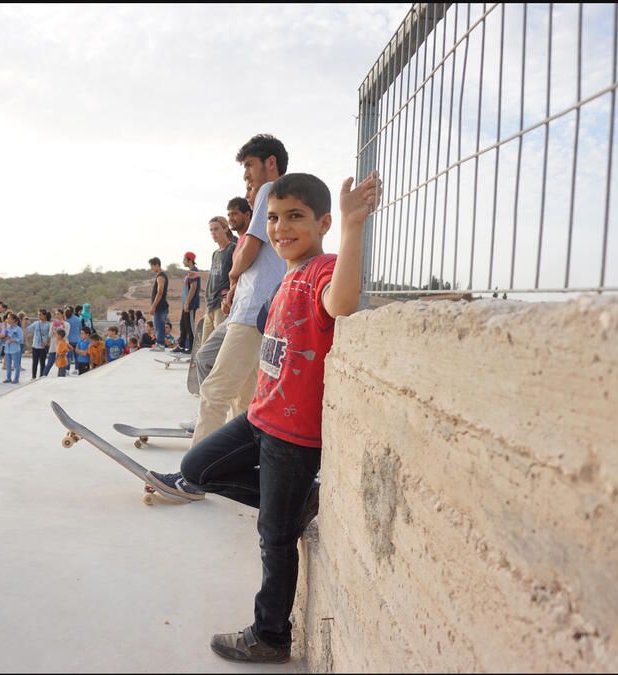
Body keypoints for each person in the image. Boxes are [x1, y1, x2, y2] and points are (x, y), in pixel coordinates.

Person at [148, 170, 381, 664]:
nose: (280, 228)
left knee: (274, 541)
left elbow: (341, 303)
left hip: (293, 436)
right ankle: (296, 507)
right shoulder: (286, 274)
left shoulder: (323, 268)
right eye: (273, 218)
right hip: (260, 418)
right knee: (196, 469)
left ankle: (270, 635)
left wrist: (353, 225)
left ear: (321, 223)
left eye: (295, 217)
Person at [190, 134, 289, 448]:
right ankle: (228, 465)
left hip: (251, 310)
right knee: (243, 400)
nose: (246, 174)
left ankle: (194, 473)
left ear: (270, 163)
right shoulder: (284, 195)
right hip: (265, 309)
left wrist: (232, 277)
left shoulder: (269, 190)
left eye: (249, 165)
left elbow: (249, 250)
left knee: (215, 391)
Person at [202, 210, 240, 346]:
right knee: (204, 347)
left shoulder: (233, 249)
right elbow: (215, 276)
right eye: (211, 230)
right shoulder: (215, 254)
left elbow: (240, 274)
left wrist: (230, 292)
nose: (213, 232)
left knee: (219, 346)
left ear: (225, 229)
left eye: (216, 229)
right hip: (210, 306)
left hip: (221, 305)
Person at [175, 252, 201, 353]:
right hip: (186, 303)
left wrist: (187, 303)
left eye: (184, 259)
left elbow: (193, 288)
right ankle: (181, 345)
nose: (183, 261)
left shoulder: (194, 271)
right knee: (183, 325)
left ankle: (191, 348)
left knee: (189, 326)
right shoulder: (190, 271)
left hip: (190, 304)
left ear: (190, 260)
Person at [148, 257, 169, 351]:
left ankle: (160, 345)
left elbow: (160, 292)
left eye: (152, 266)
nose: (151, 268)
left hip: (160, 307)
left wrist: (154, 306)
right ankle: (159, 344)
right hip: (160, 306)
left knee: (159, 326)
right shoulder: (160, 276)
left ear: (157, 265)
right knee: (158, 325)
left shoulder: (161, 276)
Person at [29, 309, 52, 379]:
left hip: (43, 347)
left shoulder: (49, 324)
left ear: (45, 316)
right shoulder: (36, 323)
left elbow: (50, 336)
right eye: (38, 314)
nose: (39, 316)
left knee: (42, 363)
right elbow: (28, 329)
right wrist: (24, 322)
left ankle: (41, 376)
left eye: (40, 314)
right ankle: (33, 377)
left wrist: (46, 343)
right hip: (35, 346)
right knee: (34, 362)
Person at [3, 312, 24, 383]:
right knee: (8, 365)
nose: (7, 319)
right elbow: (4, 338)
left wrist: (13, 340)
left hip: (15, 350)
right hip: (7, 350)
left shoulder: (18, 329)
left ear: (14, 320)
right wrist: (5, 337)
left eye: (9, 318)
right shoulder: (7, 328)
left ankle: (16, 378)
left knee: (16, 365)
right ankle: (8, 378)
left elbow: (21, 339)